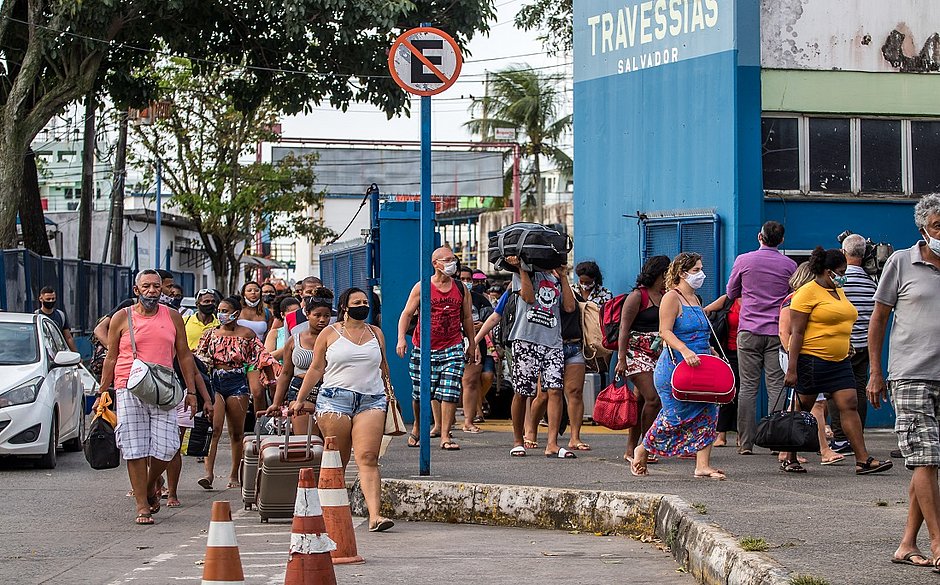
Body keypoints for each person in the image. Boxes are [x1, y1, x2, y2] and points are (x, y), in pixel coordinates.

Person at [868, 194, 940, 569]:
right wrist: (876, 371)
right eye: (938, 225)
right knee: (925, 458)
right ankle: (939, 542)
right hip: (911, 375)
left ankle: (906, 543)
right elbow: (878, 319)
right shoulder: (900, 262)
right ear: (923, 228)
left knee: (928, 461)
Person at [96, 269, 199, 525]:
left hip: (163, 387)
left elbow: (184, 355)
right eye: (146, 286)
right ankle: (142, 504)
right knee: (134, 447)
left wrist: (192, 391)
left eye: (156, 286)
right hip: (127, 385)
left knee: (167, 446)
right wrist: (102, 392)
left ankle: (152, 483)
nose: (152, 290)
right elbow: (111, 357)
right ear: (136, 290)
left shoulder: (173, 317)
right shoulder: (122, 317)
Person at [290, 287, 394, 532]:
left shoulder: (376, 333)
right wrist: (300, 399)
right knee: (339, 458)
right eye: (357, 302)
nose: (363, 306)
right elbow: (316, 369)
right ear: (345, 307)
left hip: (372, 400)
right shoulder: (330, 333)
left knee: (368, 458)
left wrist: (390, 395)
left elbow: (383, 366)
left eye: (366, 302)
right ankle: (327, 512)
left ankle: (375, 515)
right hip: (334, 400)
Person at [782, 247, 892, 475]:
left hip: (840, 360)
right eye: (841, 271)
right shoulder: (806, 293)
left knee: (849, 404)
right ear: (827, 271)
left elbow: (843, 319)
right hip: (812, 360)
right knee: (803, 409)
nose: (844, 276)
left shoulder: (837, 291)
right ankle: (789, 455)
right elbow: (797, 333)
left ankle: (863, 459)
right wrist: (792, 369)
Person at [632, 253, 724, 479]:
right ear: (682, 273)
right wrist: (685, 350)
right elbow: (665, 332)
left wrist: (710, 350)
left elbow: (701, 333)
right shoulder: (671, 298)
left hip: (701, 365)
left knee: (709, 412)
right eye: (696, 270)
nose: (701, 274)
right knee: (674, 416)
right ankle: (642, 449)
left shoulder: (696, 299)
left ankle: (702, 465)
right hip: (676, 367)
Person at [726, 220, 797, 455]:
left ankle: (745, 442)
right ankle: (776, 442)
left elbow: (731, 292)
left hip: (748, 330)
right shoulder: (789, 265)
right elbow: (793, 295)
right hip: (776, 331)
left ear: (760, 236)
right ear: (782, 240)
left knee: (747, 386)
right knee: (775, 385)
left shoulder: (743, 261)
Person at [396, 248, 475, 451]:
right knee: (420, 393)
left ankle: (445, 435)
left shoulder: (461, 288)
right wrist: (400, 340)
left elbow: (466, 318)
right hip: (424, 347)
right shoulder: (422, 286)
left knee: (449, 392)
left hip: (452, 345)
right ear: (435, 263)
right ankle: (418, 427)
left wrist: (472, 344)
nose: (452, 264)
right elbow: (406, 314)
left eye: (453, 260)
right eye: (447, 260)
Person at [503, 256, 576, 458]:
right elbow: (528, 297)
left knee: (555, 389)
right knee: (522, 391)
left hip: (552, 341)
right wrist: (522, 269)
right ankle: (518, 440)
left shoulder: (554, 279)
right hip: (526, 339)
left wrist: (563, 277)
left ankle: (552, 443)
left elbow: (569, 307)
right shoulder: (521, 275)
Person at [194, 296, 268, 490]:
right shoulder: (210, 334)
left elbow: (258, 359)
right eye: (220, 310)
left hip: (237, 381)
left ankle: (234, 474)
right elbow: (199, 359)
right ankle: (208, 474)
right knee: (215, 429)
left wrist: (257, 384)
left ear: (236, 313)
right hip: (215, 381)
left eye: (225, 310)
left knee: (237, 432)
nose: (221, 314)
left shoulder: (247, 334)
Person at [777, 262, 843, 466]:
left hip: (809, 356)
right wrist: (795, 359)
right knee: (818, 402)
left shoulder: (805, 299)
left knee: (797, 404)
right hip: (798, 356)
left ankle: (785, 449)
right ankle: (824, 449)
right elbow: (784, 332)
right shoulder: (794, 300)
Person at [616, 256, 670, 463]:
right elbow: (624, 328)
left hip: (659, 354)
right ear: (660, 272)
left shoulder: (666, 295)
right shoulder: (638, 296)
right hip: (635, 354)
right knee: (653, 398)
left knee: (640, 401)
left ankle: (631, 449)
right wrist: (621, 359)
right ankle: (647, 446)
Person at [829, 233, 878, 454]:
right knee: (859, 389)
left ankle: (840, 438)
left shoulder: (839, 281)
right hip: (864, 345)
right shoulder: (872, 283)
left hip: (841, 345)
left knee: (835, 391)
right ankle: (857, 436)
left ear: (843, 252)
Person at [267, 289, 334, 433]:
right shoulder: (294, 340)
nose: (322, 320)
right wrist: (276, 403)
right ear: (307, 315)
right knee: (306, 441)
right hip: (299, 390)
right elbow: (285, 374)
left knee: (329, 444)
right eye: (317, 315)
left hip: (330, 390)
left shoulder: (335, 340)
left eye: (326, 316)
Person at [458, 266, 494, 433]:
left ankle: (469, 420)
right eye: (462, 278)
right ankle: (445, 423)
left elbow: (490, 321)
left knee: (470, 382)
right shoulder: (449, 297)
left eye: (469, 279)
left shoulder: (481, 300)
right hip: (451, 342)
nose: (466, 282)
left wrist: (476, 332)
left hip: (475, 344)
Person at [35, 285, 77, 351]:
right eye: (48, 299)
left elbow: (68, 337)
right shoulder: (36, 316)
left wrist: (76, 354)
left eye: (53, 299)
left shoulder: (61, 315)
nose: (51, 301)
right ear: (41, 299)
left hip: (59, 352)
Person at [265, 296, 301, 361]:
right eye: (291, 312)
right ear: (282, 315)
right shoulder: (275, 333)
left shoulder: (306, 331)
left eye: (297, 311)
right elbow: (266, 358)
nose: (295, 314)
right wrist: (290, 347)